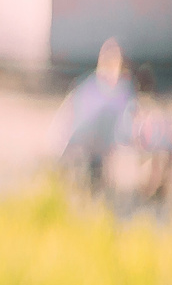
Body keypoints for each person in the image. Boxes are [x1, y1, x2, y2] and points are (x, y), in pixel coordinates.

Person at [50, 38, 133, 194]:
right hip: (84, 140)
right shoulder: (89, 87)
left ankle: (96, 187)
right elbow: (72, 116)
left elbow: (126, 121)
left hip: (104, 144)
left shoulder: (122, 91)